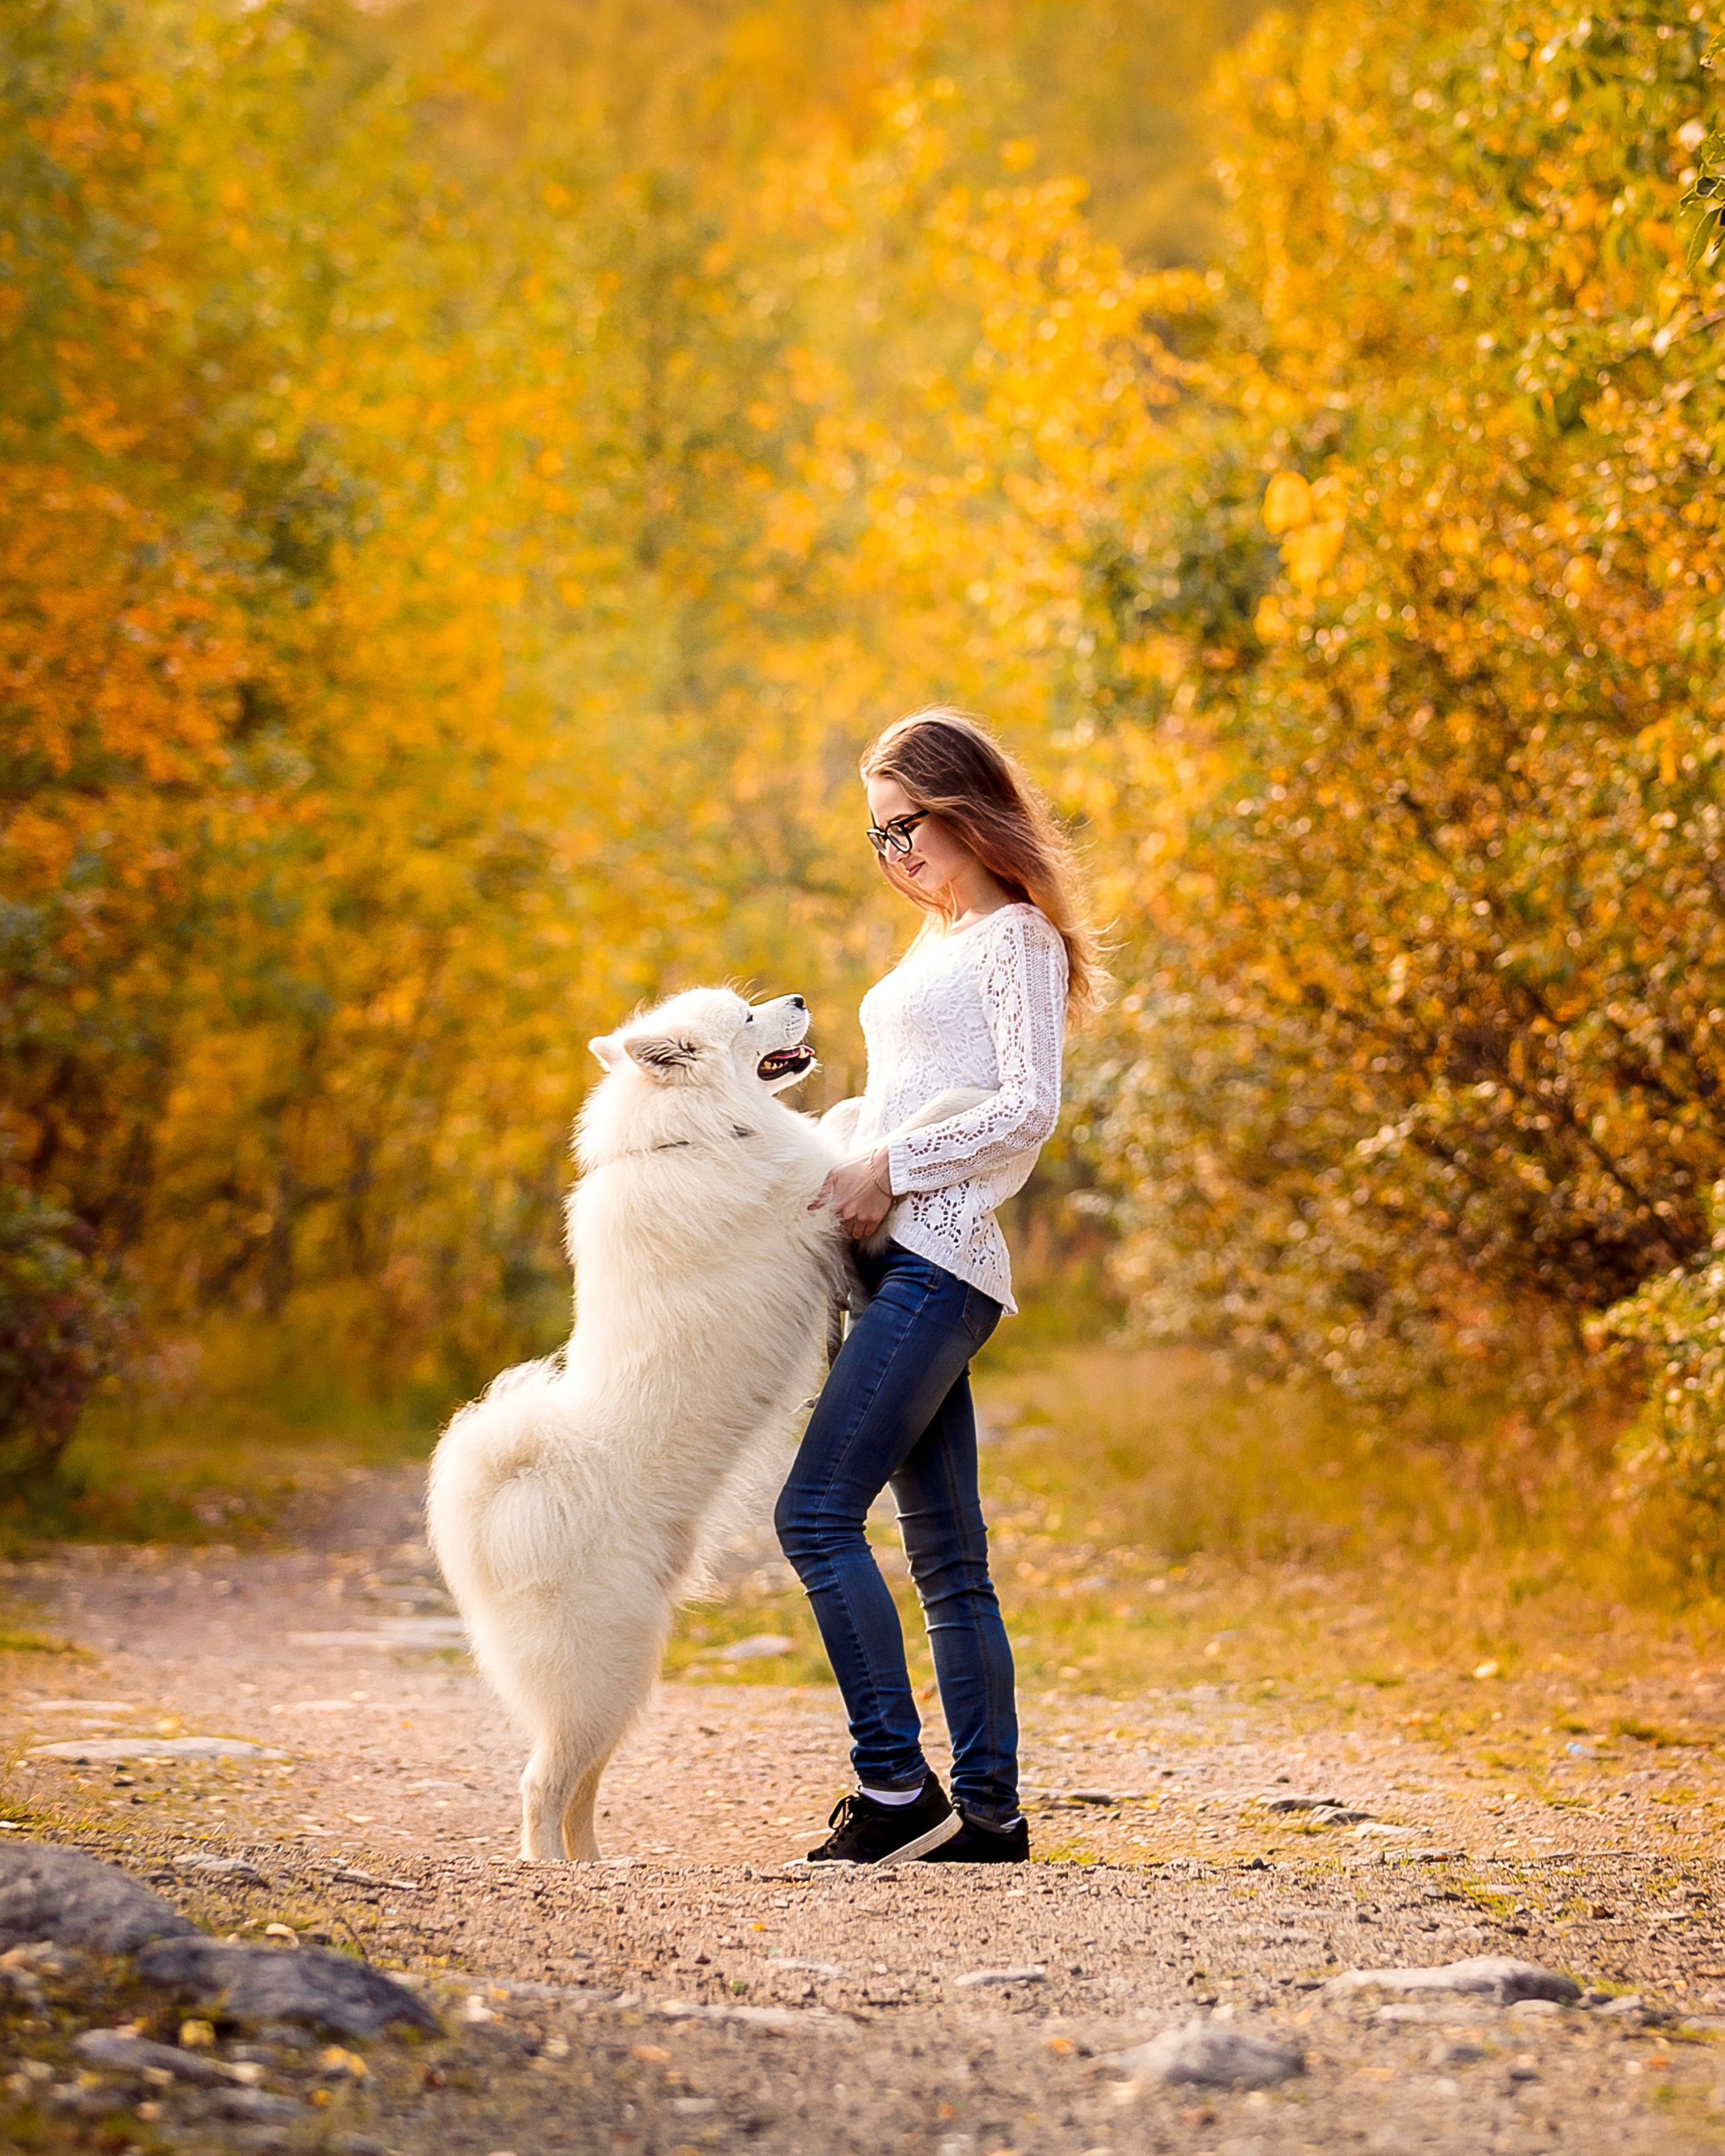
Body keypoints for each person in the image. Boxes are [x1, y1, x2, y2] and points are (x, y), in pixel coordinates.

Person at [776, 707, 1100, 1864]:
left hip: (938, 1260)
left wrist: (889, 1165)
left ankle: (895, 1787)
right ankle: (993, 1814)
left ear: (965, 809)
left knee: (813, 1515)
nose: (897, 855)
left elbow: (1025, 1109)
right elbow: (904, 1105)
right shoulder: (940, 938)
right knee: (950, 1556)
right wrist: (814, 1159)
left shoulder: (1013, 938)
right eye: (878, 839)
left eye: (907, 826)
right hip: (897, 1261)